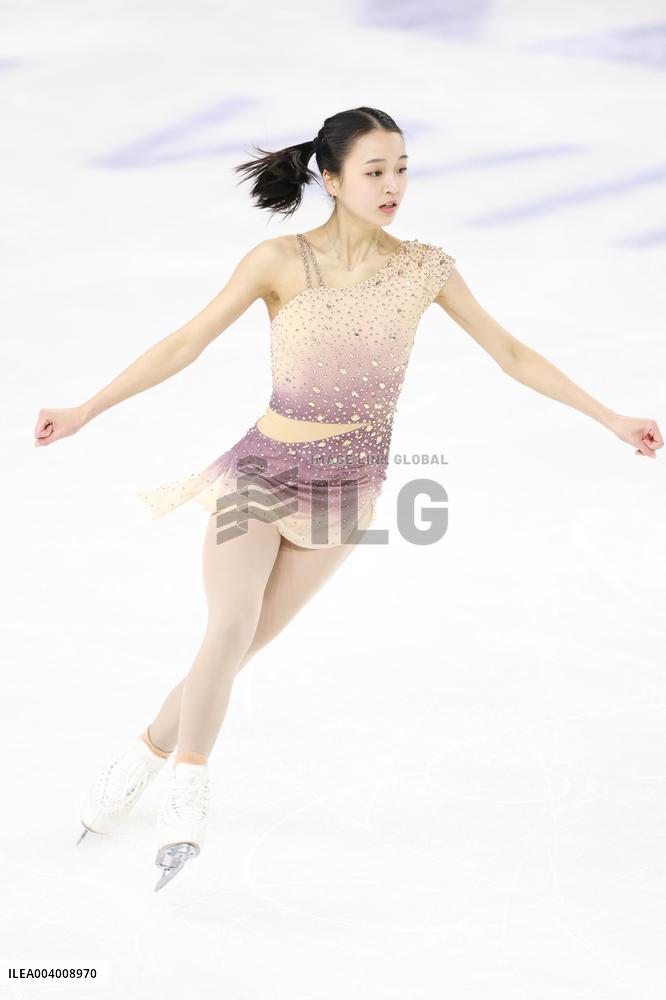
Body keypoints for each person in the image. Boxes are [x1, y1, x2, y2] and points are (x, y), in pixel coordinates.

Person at [34, 106, 663, 891]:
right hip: (259, 471)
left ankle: (141, 754)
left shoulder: (425, 267)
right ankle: (186, 792)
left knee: (240, 648)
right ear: (330, 180)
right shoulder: (279, 260)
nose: (393, 184)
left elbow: (509, 351)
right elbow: (183, 343)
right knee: (228, 626)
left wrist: (609, 416)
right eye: (374, 171)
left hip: (346, 494)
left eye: (401, 167)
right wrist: (87, 408)